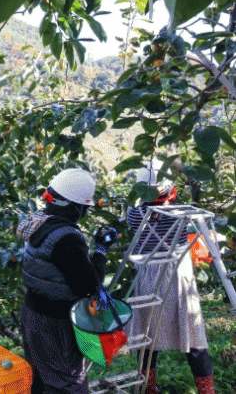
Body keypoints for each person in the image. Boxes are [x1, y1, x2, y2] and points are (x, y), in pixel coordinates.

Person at [18, 168, 118, 394]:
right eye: (84, 207)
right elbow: (88, 285)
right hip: (54, 322)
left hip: (33, 312)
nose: (85, 211)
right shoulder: (67, 238)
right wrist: (101, 250)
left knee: (40, 378)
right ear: (75, 207)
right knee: (68, 383)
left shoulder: (40, 222)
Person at [126, 160, 215, 394]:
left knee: (147, 340)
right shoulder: (181, 214)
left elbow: (137, 204)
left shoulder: (134, 214)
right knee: (194, 338)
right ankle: (207, 390)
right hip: (178, 278)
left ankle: (148, 388)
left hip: (149, 278)